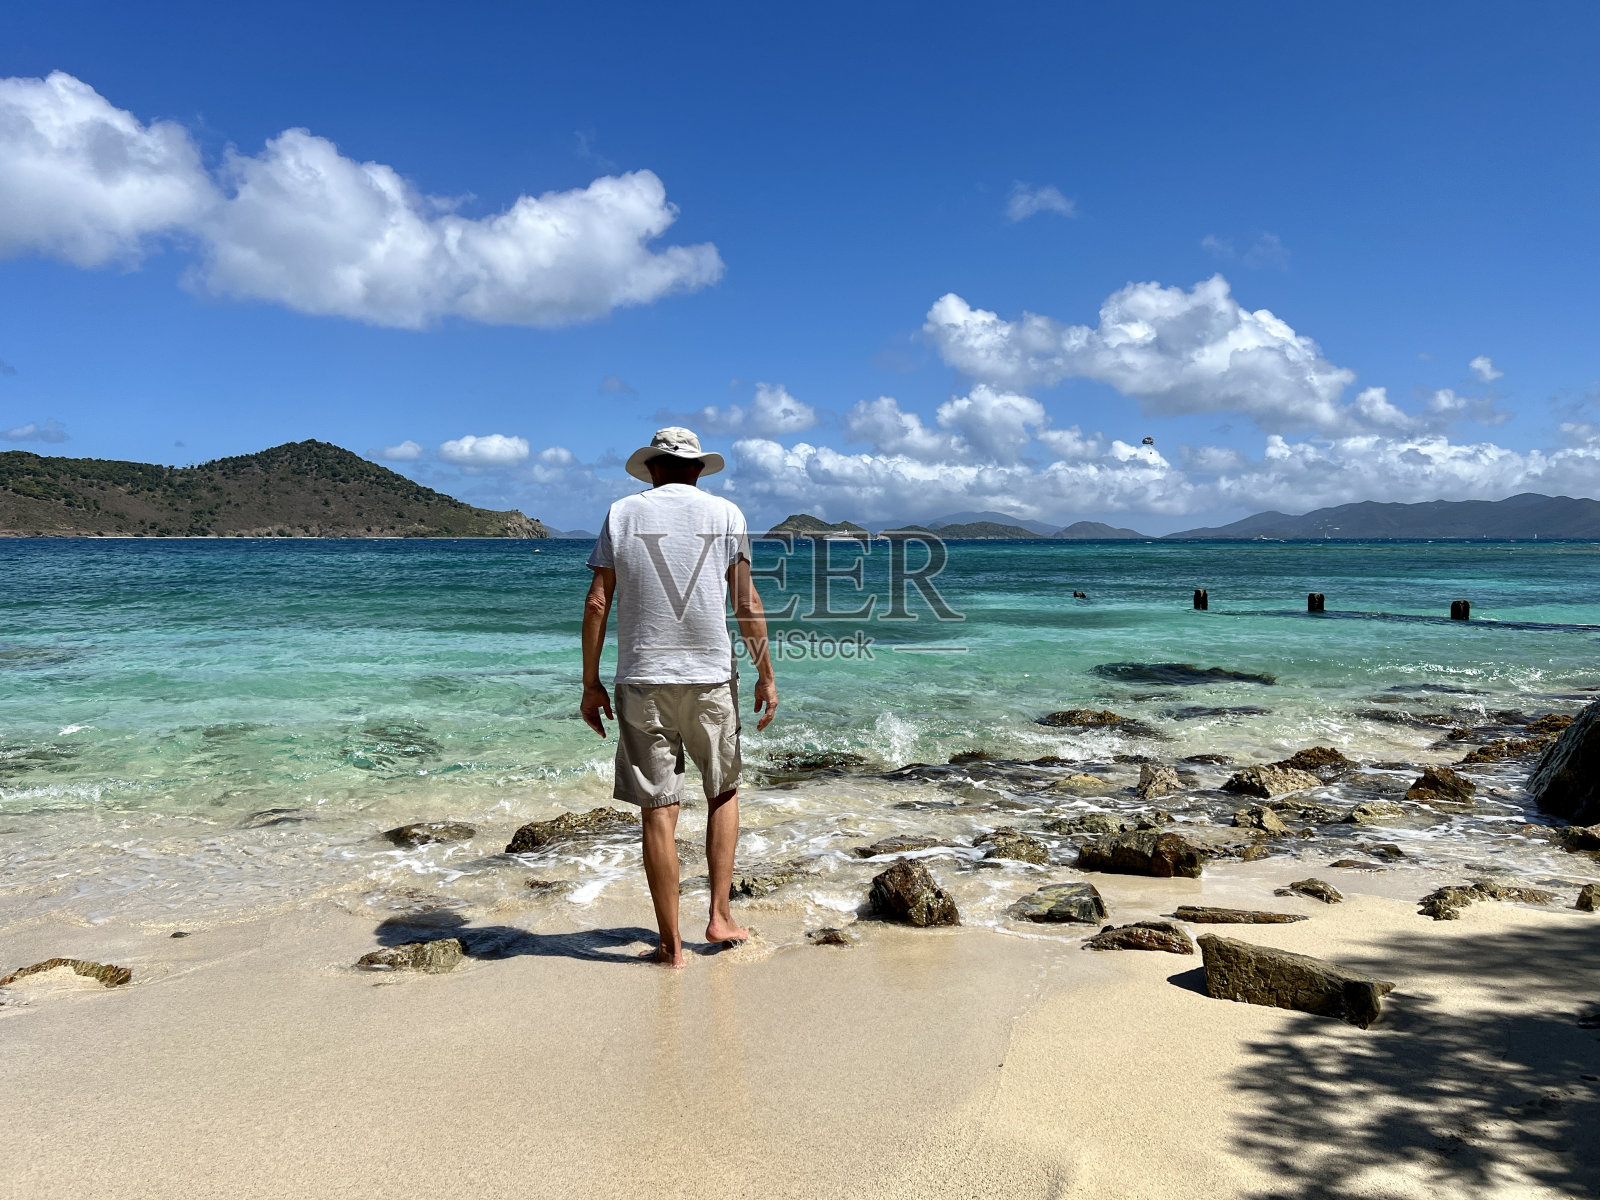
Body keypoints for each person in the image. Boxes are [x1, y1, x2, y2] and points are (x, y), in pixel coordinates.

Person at [580, 427, 778, 967]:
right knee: (723, 792)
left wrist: (590, 682)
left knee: (658, 811)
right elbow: (747, 600)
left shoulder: (621, 514)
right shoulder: (727, 515)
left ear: (651, 469)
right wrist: (766, 674)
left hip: (641, 678)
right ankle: (719, 916)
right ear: (697, 469)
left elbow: (598, 602)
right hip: (710, 677)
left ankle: (669, 946)